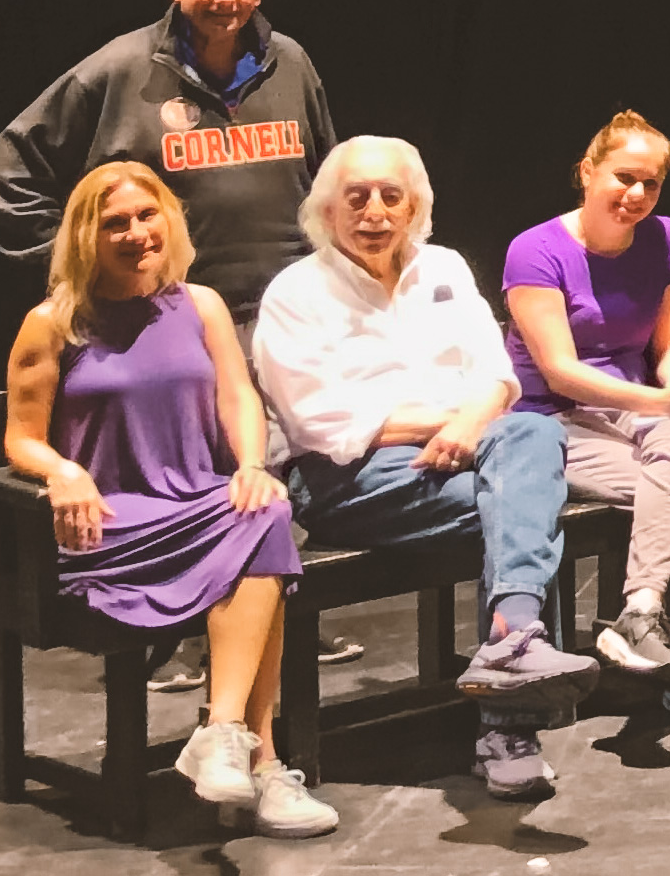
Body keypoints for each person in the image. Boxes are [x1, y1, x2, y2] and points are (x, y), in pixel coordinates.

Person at [0, 0, 360, 680]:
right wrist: (84, 269)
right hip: (179, 319)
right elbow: (7, 173)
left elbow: (325, 178)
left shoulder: (291, 65)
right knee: (207, 474)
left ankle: (264, 612)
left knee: (276, 474)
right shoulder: (122, 71)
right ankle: (190, 631)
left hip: (284, 312)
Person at [253, 135, 600, 802]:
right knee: (526, 493)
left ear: (416, 207)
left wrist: (470, 424)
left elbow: (496, 374)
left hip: (465, 455)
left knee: (524, 442)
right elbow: (319, 422)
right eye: (356, 197)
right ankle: (510, 714)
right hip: (345, 481)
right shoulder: (295, 293)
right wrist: (454, 421)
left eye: (391, 196)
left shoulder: (443, 268)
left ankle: (510, 641)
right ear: (325, 212)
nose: (374, 210)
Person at [4, 161, 339, 839]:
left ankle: (223, 732)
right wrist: (62, 470)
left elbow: (237, 397)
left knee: (264, 510)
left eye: (146, 215)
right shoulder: (52, 323)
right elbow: (19, 437)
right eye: (115, 222)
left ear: (169, 219)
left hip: (195, 501)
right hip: (114, 522)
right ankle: (264, 761)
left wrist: (249, 462)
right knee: (264, 545)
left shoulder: (201, 304)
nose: (136, 233)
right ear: (85, 235)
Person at [502, 109, 670, 725]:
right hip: (551, 419)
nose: (636, 195)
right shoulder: (535, 250)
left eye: (651, 184)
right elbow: (559, 371)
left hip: (630, 411)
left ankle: (639, 610)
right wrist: (657, 403)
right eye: (623, 177)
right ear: (587, 172)